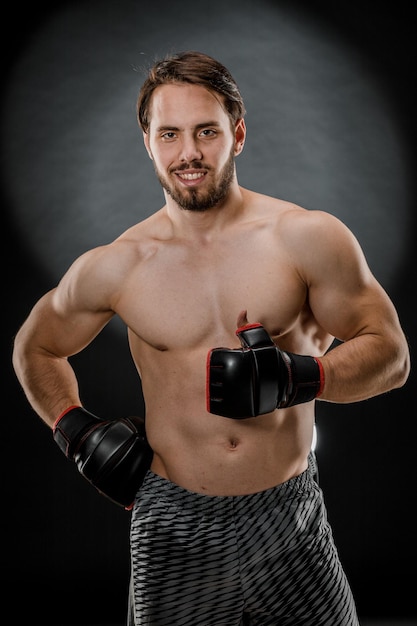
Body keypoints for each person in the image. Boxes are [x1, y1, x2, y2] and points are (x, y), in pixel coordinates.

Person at [12, 50, 410, 626]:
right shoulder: (118, 265)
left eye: (206, 131)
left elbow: (392, 354)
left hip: (289, 518)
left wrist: (303, 377)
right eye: (169, 134)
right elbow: (35, 346)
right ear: (147, 140)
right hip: (172, 525)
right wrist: (73, 431)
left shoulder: (306, 238)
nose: (189, 153)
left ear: (238, 134)